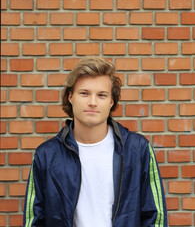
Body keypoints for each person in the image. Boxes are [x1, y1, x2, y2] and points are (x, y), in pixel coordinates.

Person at [23, 56, 167, 227]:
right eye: (84, 93)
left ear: (111, 102)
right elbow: (34, 220)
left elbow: (155, 218)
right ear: (70, 97)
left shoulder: (137, 150)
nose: (92, 102)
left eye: (101, 95)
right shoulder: (47, 155)